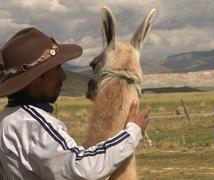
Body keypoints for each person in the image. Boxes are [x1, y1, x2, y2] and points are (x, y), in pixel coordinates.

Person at [0, 27, 150, 179]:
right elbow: (82, 170)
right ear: (37, 78)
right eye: (57, 68)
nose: (63, 76)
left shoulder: (8, 119)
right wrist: (133, 132)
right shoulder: (33, 125)